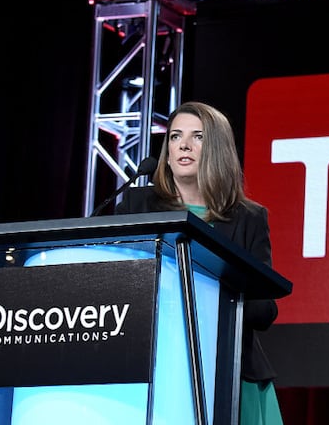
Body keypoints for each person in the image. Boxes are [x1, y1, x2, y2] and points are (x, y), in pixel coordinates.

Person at [114, 101, 283, 425]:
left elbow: (264, 311)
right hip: (150, 367)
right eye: (175, 136)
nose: (184, 145)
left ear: (217, 147)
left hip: (230, 371)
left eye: (198, 137)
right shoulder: (138, 205)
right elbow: (116, 277)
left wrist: (211, 291)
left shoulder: (248, 218)